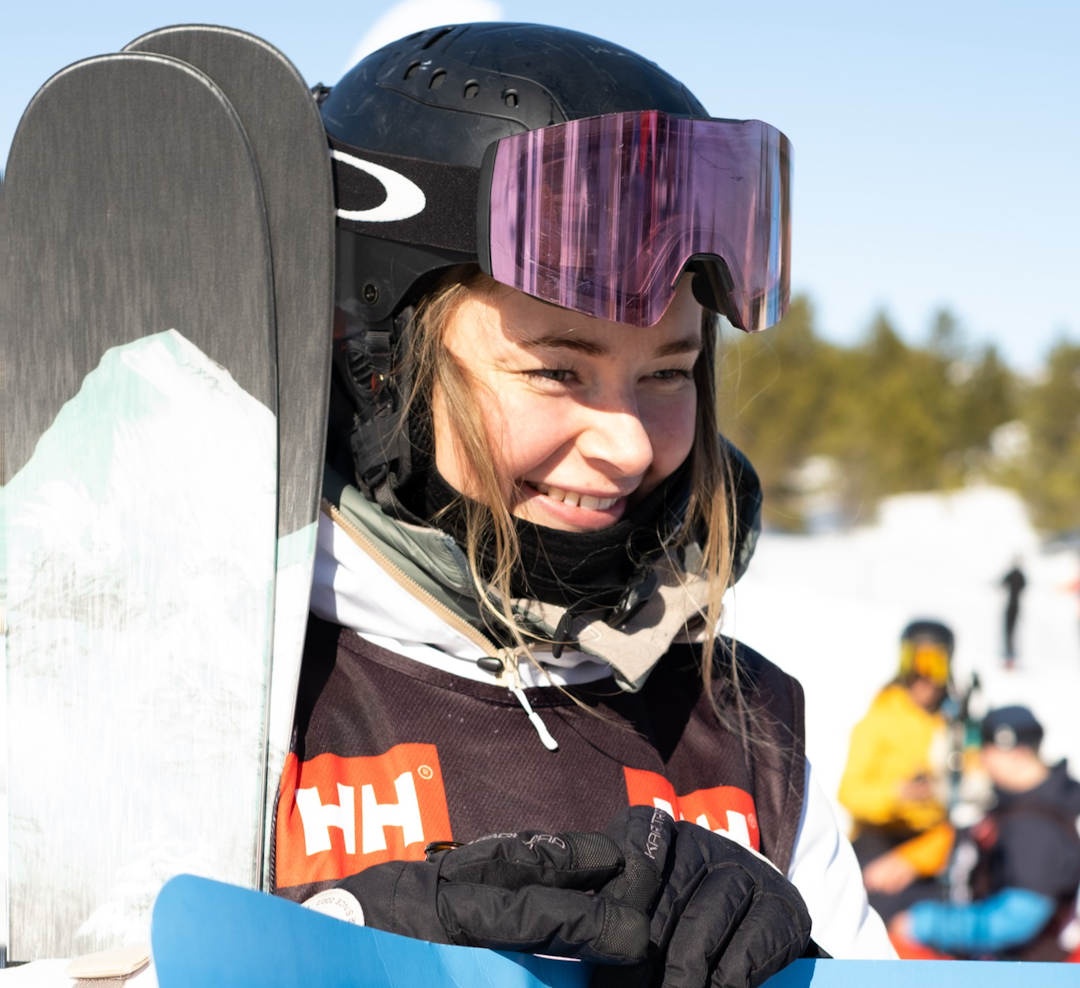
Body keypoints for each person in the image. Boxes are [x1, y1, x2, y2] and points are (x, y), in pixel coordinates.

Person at [271, 21, 895, 985]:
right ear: (380, 365)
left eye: (670, 372)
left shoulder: (743, 726)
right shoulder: (231, 679)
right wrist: (330, 937)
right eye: (559, 371)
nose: (629, 444)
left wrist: (800, 968)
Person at [891, 706, 1080, 962]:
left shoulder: (1039, 824)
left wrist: (925, 923)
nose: (982, 760)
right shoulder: (1018, 802)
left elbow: (1017, 919)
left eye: (987, 751)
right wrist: (910, 860)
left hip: (1024, 967)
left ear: (1015, 752)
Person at [837, 620, 956, 923]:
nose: (926, 680)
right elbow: (850, 792)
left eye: (935, 669)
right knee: (871, 908)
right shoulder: (879, 719)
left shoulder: (956, 724)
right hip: (880, 837)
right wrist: (897, 794)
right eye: (918, 668)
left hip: (935, 841)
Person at [1000, 561, 1026, 666]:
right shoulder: (1019, 575)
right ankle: (1009, 651)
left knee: (1010, 629)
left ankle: (1010, 652)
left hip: (1012, 605)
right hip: (1014, 605)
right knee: (1011, 630)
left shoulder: (1016, 574)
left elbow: (1002, 583)